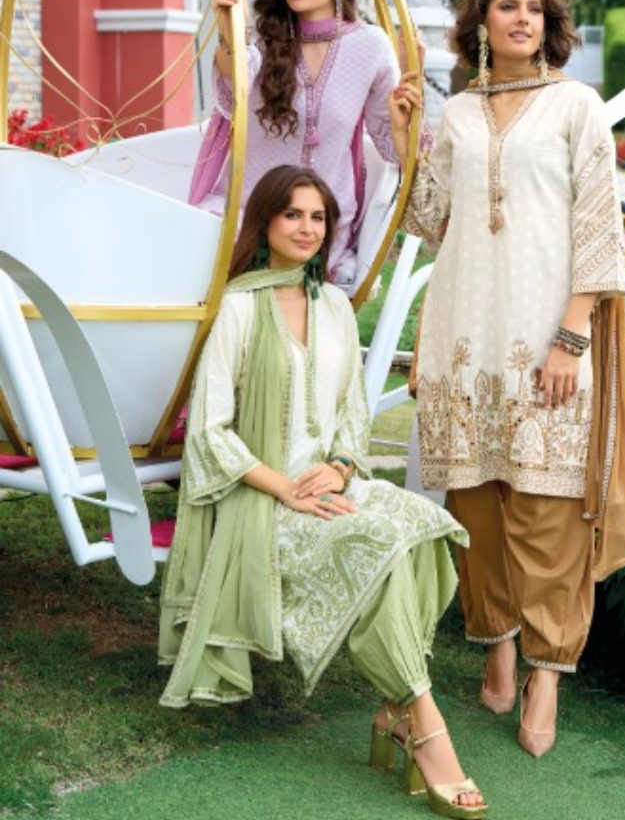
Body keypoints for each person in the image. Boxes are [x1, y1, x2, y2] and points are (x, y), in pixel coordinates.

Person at [160, 164, 486, 819]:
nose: (307, 228)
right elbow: (209, 431)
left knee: (420, 528)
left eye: (318, 217)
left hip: (331, 483)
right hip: (262, 496)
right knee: (376, 543)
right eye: (293, 215)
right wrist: (285, 488)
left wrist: (339, 466)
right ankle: (423, 724)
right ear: (265, 223)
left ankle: (396, 707)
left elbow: (352, 412)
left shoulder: (334, 305)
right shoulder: (239, 307)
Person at [389, 0, 625, 758]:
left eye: (533, 8)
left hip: (546, 333)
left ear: (548, 23)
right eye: (506, 7)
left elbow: (599, 227)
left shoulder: (576, 107)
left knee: (546, 508)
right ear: (480, 23)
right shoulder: (459, 112)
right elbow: (430, 220)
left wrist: (571, 337)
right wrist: (405, 139)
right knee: (474, 502)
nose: (521, 19)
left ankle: (547, 670)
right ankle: (496, 641)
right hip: (464, 332)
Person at [189, 0, 402, 295]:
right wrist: (229, 29)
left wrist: (409, 118)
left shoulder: (371, 47)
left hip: (321, 226)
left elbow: (391, 142)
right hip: (248, 219)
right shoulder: (261, 41)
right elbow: (234, 89)